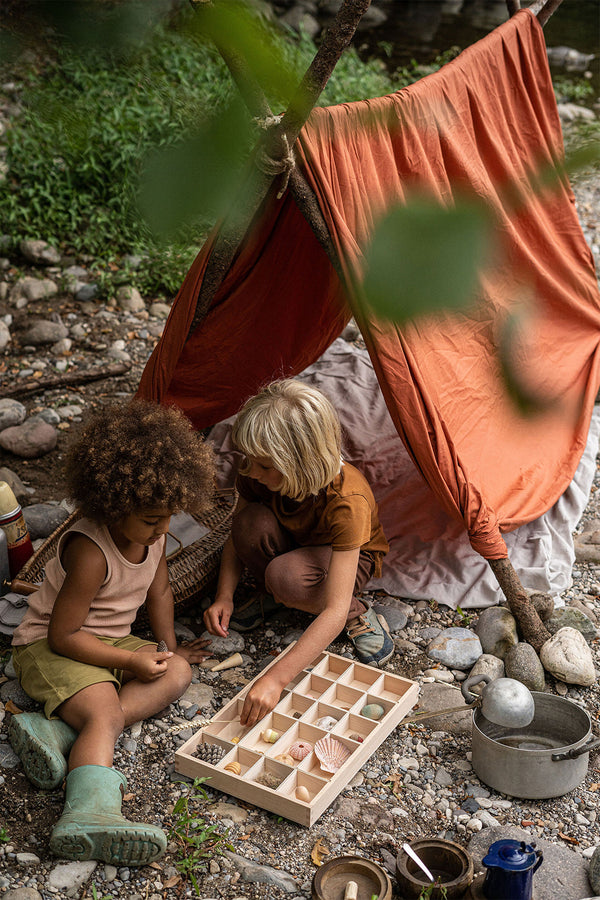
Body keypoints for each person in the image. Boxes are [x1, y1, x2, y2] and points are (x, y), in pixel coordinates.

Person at [9, 400, 215, 867]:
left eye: (168, 516)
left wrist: (166, 648)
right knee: (105, 713)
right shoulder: (91, 551)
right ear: (114, 503)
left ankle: (58, 733)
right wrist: (129, 662)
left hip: (103, 644)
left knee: (177, 671)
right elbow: (64, 636)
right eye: (149, 518)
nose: (162, 528)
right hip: (49, 648)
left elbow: (160, 592)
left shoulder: (153, 535)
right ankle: (88, 812)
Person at [203, 378, 392, 729]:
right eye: (250, 461)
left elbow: (332, 611)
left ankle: (358, 609)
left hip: (344, 561)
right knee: (249, 524)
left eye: (263, 465)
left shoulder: (347, 501)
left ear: (298, 462)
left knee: (286, 579)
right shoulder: (258, 471)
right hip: (292, 544)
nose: (250, 472)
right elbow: (237, 533)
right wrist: (224, 595)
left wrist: (275, 679)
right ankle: (282, 595)